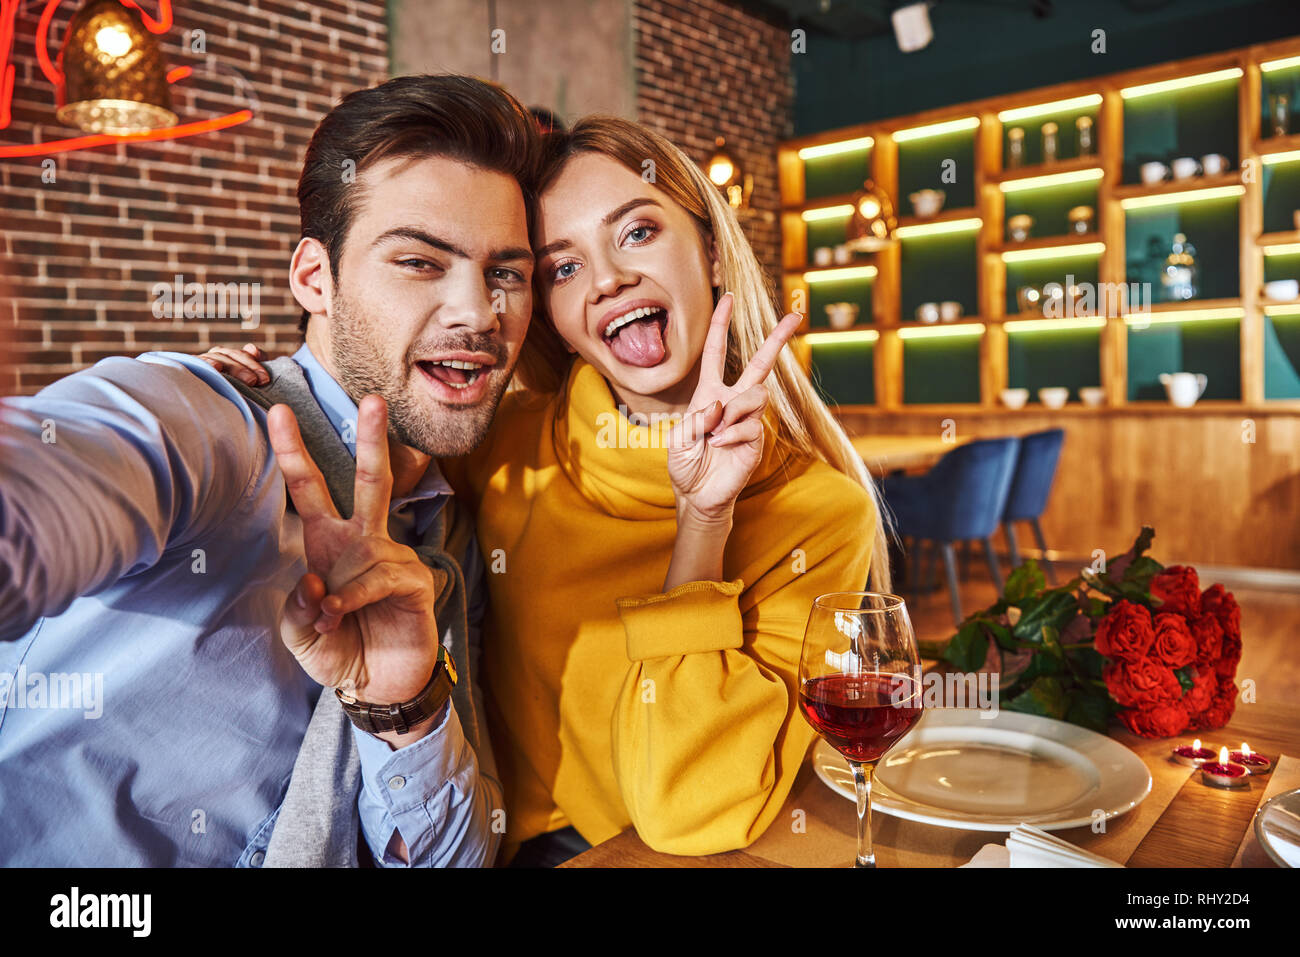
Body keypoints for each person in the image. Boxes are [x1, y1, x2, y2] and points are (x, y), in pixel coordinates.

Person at [205, 115, 892, 866]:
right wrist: (277, 385)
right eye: (562, 268)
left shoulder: (820, 513)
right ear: (554, 319)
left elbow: (688, 811)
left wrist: (703, 521)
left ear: (713, 251)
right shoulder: (503, 443)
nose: (608, 279)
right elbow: (371, 417)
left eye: (636, 233)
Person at [0, 74, 538, 867]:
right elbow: (48, 488)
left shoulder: (445, 534)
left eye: (508, 274)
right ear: (314, 279)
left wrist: (405, 707)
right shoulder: (212, 420)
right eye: (421, 261)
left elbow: (462, 858)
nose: (480, 312)